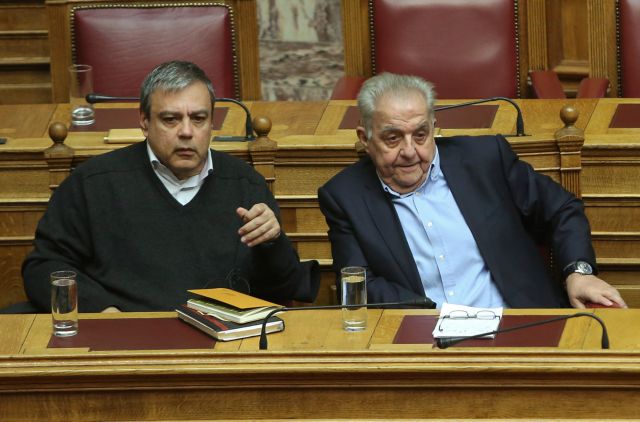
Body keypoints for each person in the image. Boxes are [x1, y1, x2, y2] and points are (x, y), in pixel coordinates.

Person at [21, 60, 319, 312]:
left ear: (212, 123)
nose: (186, 132)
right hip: (126, 342)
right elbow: (43, 268)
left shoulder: (245, 184)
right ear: (144, 121)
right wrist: (100, 310)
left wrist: (273, 243)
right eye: (170, 119)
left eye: (198, 119)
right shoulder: (93, 184)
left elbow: (284, 287)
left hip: (223, 345)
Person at [318, 72, 626, 309]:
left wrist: (579, 272)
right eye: (393, 138)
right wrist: (440, 317)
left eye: (421, 135)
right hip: (424, 341)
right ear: (365, 138)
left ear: (434, 126)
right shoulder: (344, 197)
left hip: (521, 326)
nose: (410, 151)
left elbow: (562, 209)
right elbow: (360, 284)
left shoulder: (484, 159)